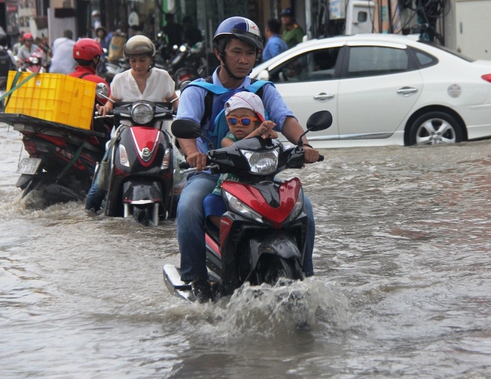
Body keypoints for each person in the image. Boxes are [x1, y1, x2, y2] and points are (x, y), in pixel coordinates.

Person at [175, 16, 320, 302]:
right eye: (236, 52)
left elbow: (284, 118)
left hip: (259, 174)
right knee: (190, 206)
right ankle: (195, 281)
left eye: (250, 53)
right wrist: (193, 154)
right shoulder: (198, 91)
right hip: (211, 174)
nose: (244, 60)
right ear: (219, 53)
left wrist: (304, 144)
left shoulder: (262, 89)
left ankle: (306, 274)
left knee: (305, 208)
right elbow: (185, 124)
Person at [87, 35, 179, 212]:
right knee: (103, 178)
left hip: (158, 137)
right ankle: (90, 211)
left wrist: (183, 110)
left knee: (178, 175)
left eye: (142, 60)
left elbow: (174, 99)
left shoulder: (163, 77)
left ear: (151, 59)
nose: (138, 65)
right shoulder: (120, 79)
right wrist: (105, 108)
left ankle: (177, 210)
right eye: (133, 60)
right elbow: (111, 101)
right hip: (125, 136)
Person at [203, 92, 278, 228]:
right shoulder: (228, 139)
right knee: (210, 203)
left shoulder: (263, 138)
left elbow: (276, 144)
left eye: (245, 121)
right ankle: (228, 232)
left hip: (258, 189)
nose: (238, 125)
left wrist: (270, 133)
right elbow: (237, 149)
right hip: (227, 190)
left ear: (257, 123)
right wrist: (258, 132)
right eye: (232, 120)